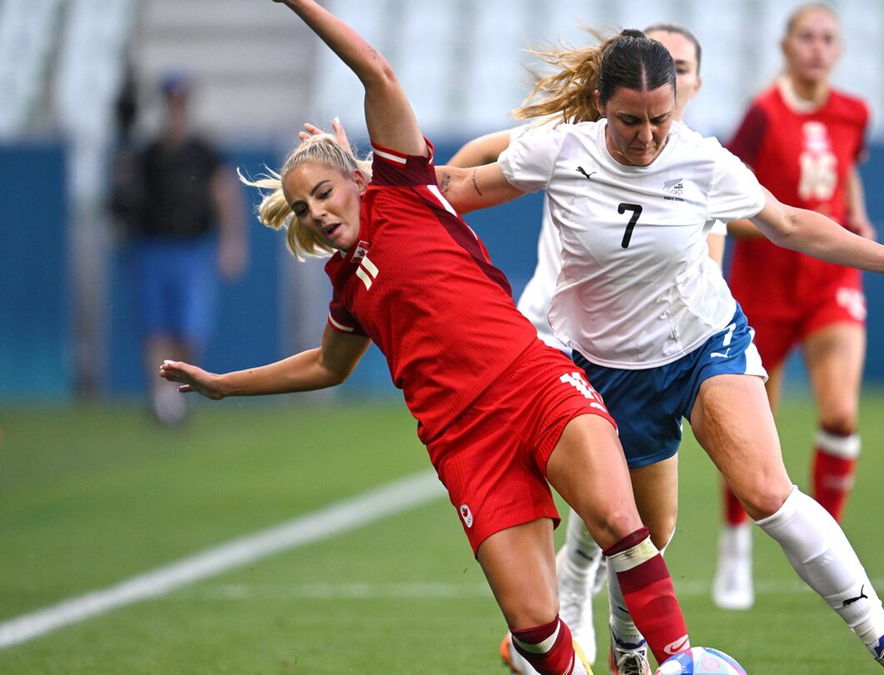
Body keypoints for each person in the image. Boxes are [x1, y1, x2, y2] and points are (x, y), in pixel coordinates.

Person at [160, 3, 694, 674]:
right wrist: (222, 385)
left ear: (354, 176)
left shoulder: (405, 188)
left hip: (533, 383)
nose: (317, 212)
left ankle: (680, 663)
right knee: (533, 626)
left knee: (622, 522)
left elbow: (376, 73)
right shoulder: (348, 284)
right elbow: (327, 366)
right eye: (303, 208)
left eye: (323, 192)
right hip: (464, 442)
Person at [435, 27, 884, 675]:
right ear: (601, 103)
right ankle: (626, 642)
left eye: (659, 119)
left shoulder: (702, 159)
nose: (647, 137)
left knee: (768, 491)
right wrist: (368, 179)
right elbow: (457, 187)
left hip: (705, 344)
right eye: (631, 121)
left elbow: (791, 223)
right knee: (647, 532)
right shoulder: (559, 150)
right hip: (609, 371)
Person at [442, 25, 716, 673]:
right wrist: (431, 182)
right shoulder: (579, 140)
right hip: (557, 342)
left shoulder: (705, 165)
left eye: (677, 66)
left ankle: (591, 623)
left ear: (688, 85)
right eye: (655, 62)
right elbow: (486, 159)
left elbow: (709, 267)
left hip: (647, 348)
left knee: (651, 520)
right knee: (608, 504)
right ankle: (585, 627)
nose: (660, 78)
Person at [716, 2, 872, 612]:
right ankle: (735, 546)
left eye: (827, 37)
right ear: (786, 46)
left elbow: (846, 170)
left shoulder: (855, 112)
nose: (817, 47)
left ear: (838, 49)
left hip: (830, 280)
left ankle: (824, 544)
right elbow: (729, 197)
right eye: (806, 36)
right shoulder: (761, 114)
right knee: (753, 433)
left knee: (839, 414)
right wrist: (787, 228)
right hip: (765, 287)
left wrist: (853, 215)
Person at [110, 70, 247, 426]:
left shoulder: (203, 151)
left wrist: (230, 243)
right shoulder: (149, 152)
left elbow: (224, 195)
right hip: (153, 247)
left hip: (191, 248)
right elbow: (126, 199)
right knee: (156, 327)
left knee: (188, 326)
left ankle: (182, 391)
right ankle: (163, 397)